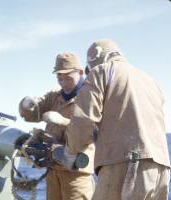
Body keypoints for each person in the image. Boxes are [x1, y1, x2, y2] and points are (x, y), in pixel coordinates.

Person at [63, 40, 170, 200]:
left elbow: (83, 120)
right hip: (162, 168)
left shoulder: (102, 71)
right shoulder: (150, 80)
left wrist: (70, 153)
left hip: (127, 164)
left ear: (96, 57)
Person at [19, 52, 95, 200]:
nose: (63, 83)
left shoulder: (90, 97)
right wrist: (26, 105)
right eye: (59, 78)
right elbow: (32, 114)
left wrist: (63, 121)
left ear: (80, 72)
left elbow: (92, 130)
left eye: (68, 78)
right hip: (53, 169)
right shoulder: (54, 96)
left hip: (76, 173)